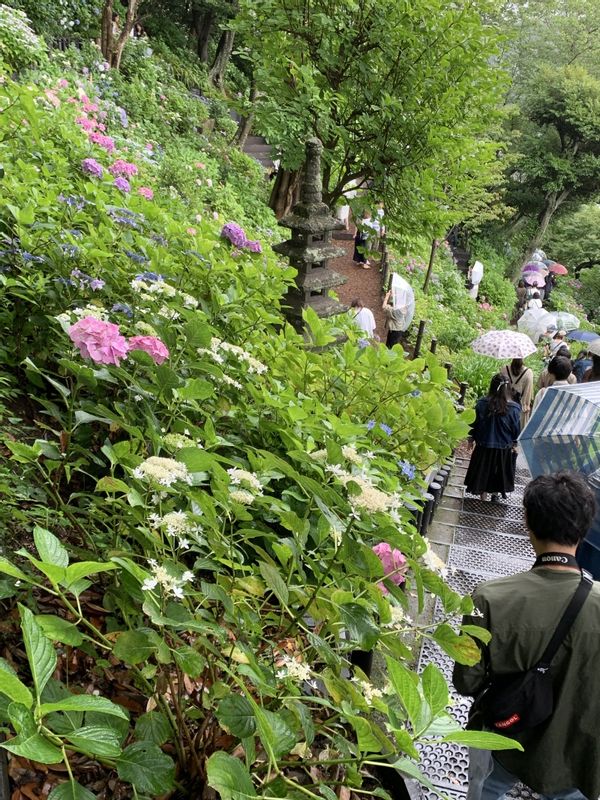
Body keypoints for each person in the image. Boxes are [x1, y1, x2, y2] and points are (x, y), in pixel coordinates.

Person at [453, 471, 600, 800]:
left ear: (528, 525)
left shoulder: (487, 598)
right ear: (584, 529)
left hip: (504, 739)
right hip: (577, 752)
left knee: (484, 788)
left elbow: (466, 681)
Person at [464, 374, 520, 503]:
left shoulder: (482, 404)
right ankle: (495, 494)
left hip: (483, 445)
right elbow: (515, 429)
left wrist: (471, 439)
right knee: (498, 472)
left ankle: (482, 496)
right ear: (508, 389)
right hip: (503, 447)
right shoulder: (514, 408)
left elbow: (474, 422)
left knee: (483, 471)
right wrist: (514, 443)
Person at [501, 358, 533, 429]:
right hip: (519, 410)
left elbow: (500, 388)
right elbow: (527, 395)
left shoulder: (504, 369)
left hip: (503, 407)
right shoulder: (528, 373)